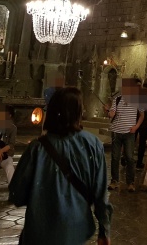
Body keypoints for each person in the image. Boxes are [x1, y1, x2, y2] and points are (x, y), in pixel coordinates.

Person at [9, 87, 112, 245]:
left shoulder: (36, 148)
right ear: (78, 112)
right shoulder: (93, 145)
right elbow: (100, 194)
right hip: (74, 231)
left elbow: (17, 194)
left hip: (39, 233)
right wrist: (104, 230)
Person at [107, 80, 144, 192]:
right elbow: (111, 113)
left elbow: (142, 115)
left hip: (129, 133)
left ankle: (130, 182)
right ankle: (114, 181)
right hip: (116, 132)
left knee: (129, 157)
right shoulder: (117, 99)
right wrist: (110, 113)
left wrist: (136, 127)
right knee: (115, 157)